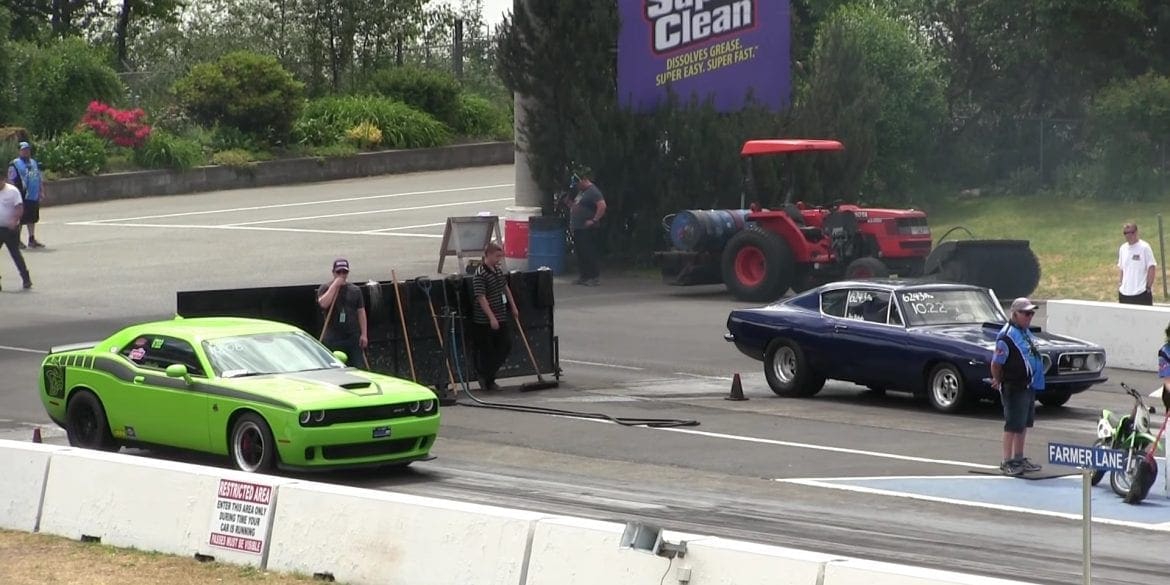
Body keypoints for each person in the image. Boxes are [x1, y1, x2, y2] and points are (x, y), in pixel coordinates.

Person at [989, 297, 1046, 476]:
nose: (1030, 317)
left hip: (1028, 385)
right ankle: (1007, 461)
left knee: (1023, 424)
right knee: (1012, 424)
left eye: (1031, 313)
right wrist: (997, 379)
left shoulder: (1024, 332)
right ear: (1015, 314)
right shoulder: (1007, 336)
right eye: (1026, 313)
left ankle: (1019, 458)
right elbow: (996, 363)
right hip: (1014, 386)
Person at [471, 242, 519, 391]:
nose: (499, 259)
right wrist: (491, 317)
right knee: (488, 350)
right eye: (497, 256)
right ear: (489, 255)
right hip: (484, 320)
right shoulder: (480, 274)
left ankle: (487, 375)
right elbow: (481, 297)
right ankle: (488, 379)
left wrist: (513, 306)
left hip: (501, 314)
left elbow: (505, 288)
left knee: (505, 345)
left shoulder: (497, 271)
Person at [316, 258, 368, 369]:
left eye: (344, 272)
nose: (341, 275)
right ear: (333, 272)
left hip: (352, 336)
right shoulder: (325, 288)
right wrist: (335, 286)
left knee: (358, 367)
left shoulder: (355, 290)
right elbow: (324, 304)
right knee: (334, 368)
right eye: (338, 272)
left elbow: (361, 312)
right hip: (333, 337)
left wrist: (364, 334)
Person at [567, 167, 606, 286]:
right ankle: (584, 276)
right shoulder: (582, 192)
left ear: (583, 180)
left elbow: (602, 206)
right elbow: (578, 206)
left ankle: (594, 277)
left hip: (587, 228)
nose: (577, 187)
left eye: (578, 184)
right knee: (581, 253)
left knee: (589, 252)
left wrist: (594, 220)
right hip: (579, 228)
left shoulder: (593, 191)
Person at [8, 141, 45, 249]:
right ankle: (16, 240)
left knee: (32, 218)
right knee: (20, 219)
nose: (26, 152)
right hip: (21, 195)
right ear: (19, 151)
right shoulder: (14, 164)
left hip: (33, 196)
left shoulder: (33, 162)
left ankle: (32, 239)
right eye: (23, 150)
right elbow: (11, 180)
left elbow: (38, 177)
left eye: (27, 150)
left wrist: (41, 190)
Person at [0, 179, 31, 290]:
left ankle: (26, 279)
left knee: (15, 254)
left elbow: (19, 207)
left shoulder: (12, 191)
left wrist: (14, 221)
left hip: (10, 229)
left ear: (3, 180)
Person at [1117, 222, 1156, 305]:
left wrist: (1148, 287)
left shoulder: (1144, 247)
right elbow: (1121, 268)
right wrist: (1120, 284)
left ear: (1136, 232)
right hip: (1124, 293)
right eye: (1125, 233)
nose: (1128, 235)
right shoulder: (1123, 248)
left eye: (1131, 232)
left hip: (1140, 293)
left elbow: (1151, 267)